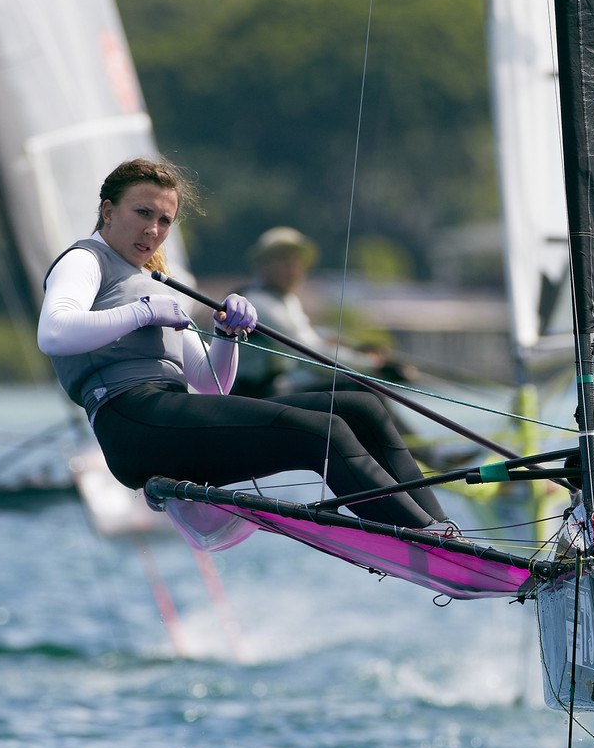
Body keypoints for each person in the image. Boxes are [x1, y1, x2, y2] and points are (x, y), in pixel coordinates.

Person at [36, 158, 445, 529]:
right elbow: (53, 332)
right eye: (142, 213)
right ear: (108, 211)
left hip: (168, 415)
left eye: (164, 220)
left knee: (360, 407)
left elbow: (211, 384)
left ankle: (444, 529)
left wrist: (226, 336)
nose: (153, 230)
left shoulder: (153, 284)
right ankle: (425, 536)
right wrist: (142, 312)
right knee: (324, 433)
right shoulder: (85, 259)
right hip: (131, 425)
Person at [232, 226, 412, 398]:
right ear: (263, 265)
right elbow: (309, 352)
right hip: (253, 395)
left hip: (277, 387)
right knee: (361, 389)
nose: (294, 269)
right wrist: (374, 366)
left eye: (298, 262)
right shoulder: (258, 303)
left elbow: (311, 338)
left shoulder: (286, 300)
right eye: (285, 261)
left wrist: (356, 350)